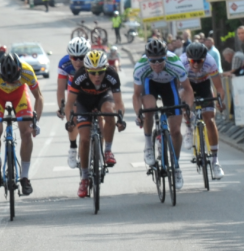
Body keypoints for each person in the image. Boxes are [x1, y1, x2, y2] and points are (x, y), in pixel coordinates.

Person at [63, 49, 126, 198]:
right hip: (83, 101)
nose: (97, 76)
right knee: (84, 139)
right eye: (92, 73)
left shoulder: (111, 74)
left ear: (106, 69)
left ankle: (108, 150)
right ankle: (84, 179)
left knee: (110, 113)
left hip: (104, 98)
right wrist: (69, 121)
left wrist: (121, 119)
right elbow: (70, 103)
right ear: (86, 70)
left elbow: (119, 102)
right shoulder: (80, 76)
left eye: (100, 72)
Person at [133, 37, 194, 189]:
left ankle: (177, 166)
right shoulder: (141, 66)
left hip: (169, 86)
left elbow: (188, 89)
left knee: (175, 130)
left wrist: (188, 108)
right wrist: (138, 114)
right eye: (152, 61)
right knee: (149, 108)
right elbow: (136, 95)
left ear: (166, 56)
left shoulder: (176, 64)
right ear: (147, 59)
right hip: (150, 84)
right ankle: (148, 145)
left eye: (160, 60)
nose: (156, 64)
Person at [0, 51, 43, 196]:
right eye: (7, 80)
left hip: (19, 95)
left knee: (27, 133)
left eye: (13, 80)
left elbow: (39, 97)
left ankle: (25, 177)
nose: (10, 83)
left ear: (19, 71)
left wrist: (36, 121)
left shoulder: (27, 71)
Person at [180, 42, 227, 179]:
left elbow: (219, 89)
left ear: (204, 59)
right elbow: (176, 86)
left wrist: (219, 101)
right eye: (192, 61)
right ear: (188, 59)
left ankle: (215, 161)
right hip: (187, 85)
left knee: (210, 120)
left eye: (199, 61)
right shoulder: (181, 62)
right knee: (182, 97)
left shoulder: (210, 62)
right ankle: (188, 126)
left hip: (204, 86)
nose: (195, 64)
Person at [56, 37, 91, 170]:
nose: (78, 61)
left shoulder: (93, 61)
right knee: (73, 117)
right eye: (74, 57)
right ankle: (72, 148)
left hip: (91, 87)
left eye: (81, 57)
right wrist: (62, 107)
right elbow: (61, 89)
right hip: (73, 87)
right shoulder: (64, 63)